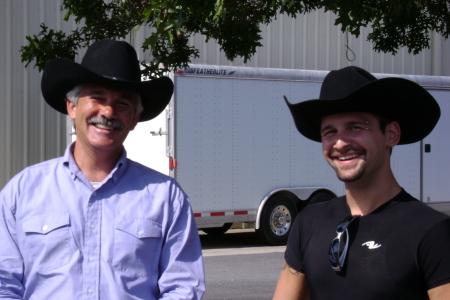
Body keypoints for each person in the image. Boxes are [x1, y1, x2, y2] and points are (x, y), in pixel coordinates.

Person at [0, 39, 205, 299]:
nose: (108, 111)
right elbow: (3, 283)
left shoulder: (166, 198)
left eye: (123, 103)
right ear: (72, 106)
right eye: (97, 97)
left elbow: (183, 286)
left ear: (134, 118)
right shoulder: (23, 191)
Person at [273, 66, 450, 300]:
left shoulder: (432, 232)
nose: (340, 143)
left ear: (391, 134)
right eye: (329, 132)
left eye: (355, 127)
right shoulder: (309, 222)